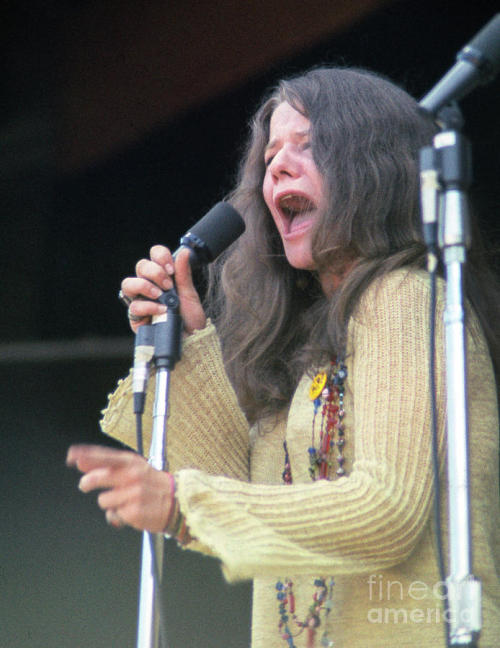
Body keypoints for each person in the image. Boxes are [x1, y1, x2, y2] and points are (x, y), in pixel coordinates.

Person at [67, 67, 500, 647]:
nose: (277, 166)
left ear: (374, 167)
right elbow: (247, 511)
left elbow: (389, 512)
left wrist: (178, 500)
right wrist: (191, 341)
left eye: (310, 144)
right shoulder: (306, 348)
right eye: (270, 153)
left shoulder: (405, 296)